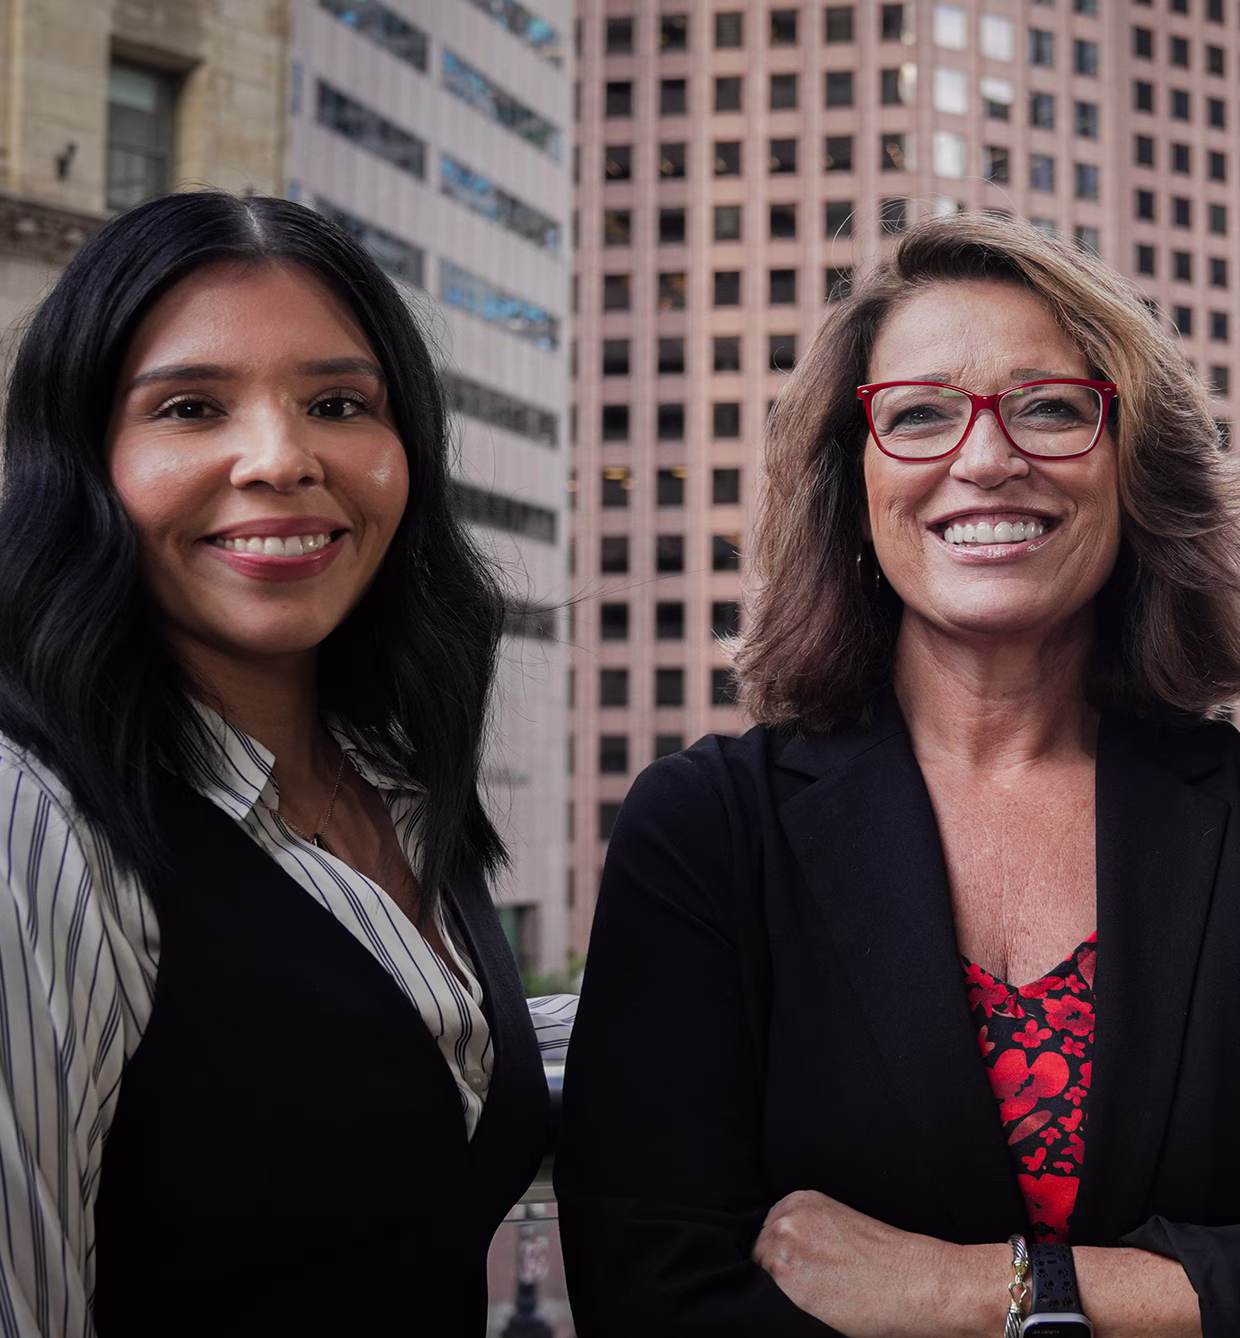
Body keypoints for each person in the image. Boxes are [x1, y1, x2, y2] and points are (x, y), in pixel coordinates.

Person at [555, 213, 1240, 1337]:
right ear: (852, 481)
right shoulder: (706, 831)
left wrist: (975, 1293)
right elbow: (653, 1290)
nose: (984, 456)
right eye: (918, 415)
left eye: (1051, 408)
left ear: (1133, 466)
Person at [0, 191, 551, 1336]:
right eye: (191, 408)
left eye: (338, 403)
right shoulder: (33, 819)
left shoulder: (391, 782)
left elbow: (425, 1044)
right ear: (83, 459)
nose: (280, 459)